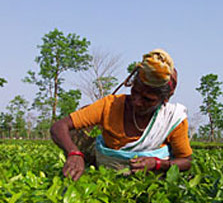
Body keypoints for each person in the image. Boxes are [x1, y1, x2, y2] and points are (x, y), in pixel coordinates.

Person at [50, 49, 192, 181]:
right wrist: (74, 153)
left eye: (148, 99)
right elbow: (59, 126)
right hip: (107, 177)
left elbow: (186, 161)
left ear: (164, 99)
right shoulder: (110, 106)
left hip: (150, 183)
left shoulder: (172, 118)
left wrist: (157, 164)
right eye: (135, 92)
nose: (137, 102)